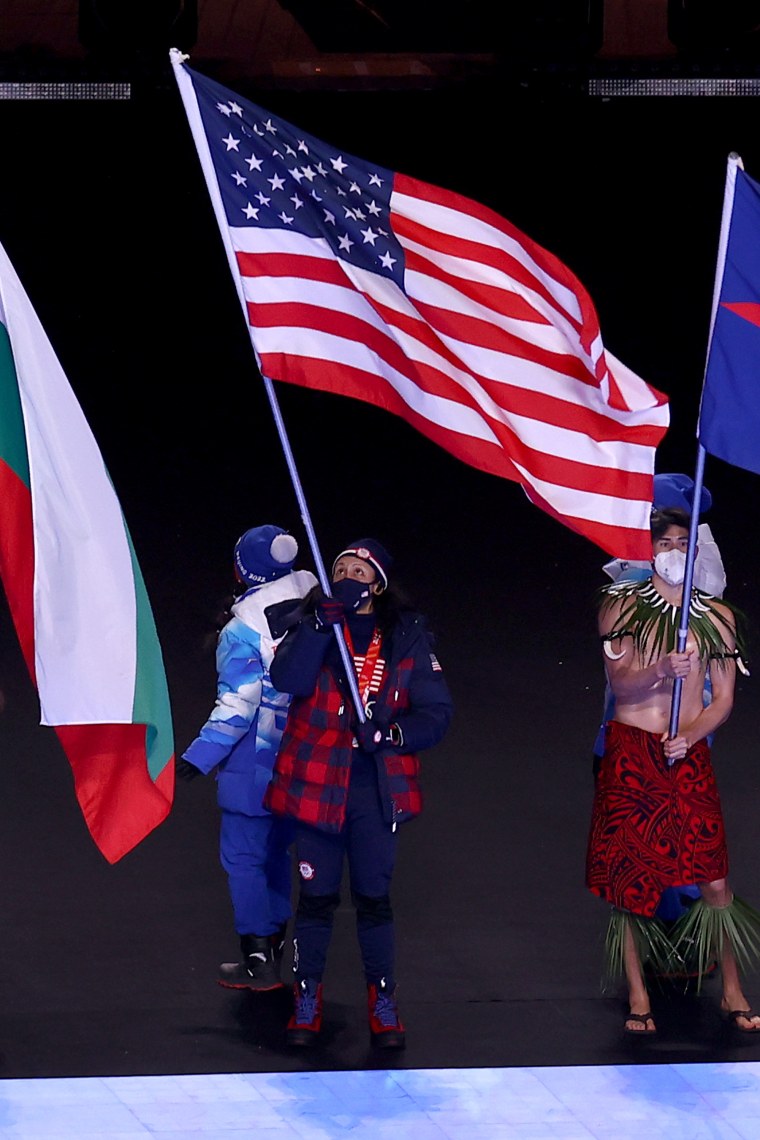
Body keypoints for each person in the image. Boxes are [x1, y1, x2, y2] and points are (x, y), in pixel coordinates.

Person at [264, 538, 454, 1049]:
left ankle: (383, 1001)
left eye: (357, 570)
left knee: (373, 898)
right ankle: (307, 998)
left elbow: (436, 713)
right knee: (317, 898)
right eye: (339, 568)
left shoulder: (406, 636)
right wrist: (320, 628)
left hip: (374, 790)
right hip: (317, 785)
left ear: (377, 584)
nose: (347, 575)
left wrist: (392, 734)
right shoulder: (313, 625)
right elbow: (287, 678)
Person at [586, 504, 759, 1036]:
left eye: (681, 543)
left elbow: (725, 697)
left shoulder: (716, 616)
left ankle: (733, 988)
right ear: (648, 551)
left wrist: (694, 733)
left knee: (713, 875)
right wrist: (660, 668)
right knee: (630, 877)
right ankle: (638, 995)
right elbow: (620, 684)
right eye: (662, 544)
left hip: (687, 750)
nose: (672, 553)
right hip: (634, 748)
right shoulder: (621, 608)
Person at [178, 525, 317, 990]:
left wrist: (197, 758)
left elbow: (238, 707)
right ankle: (275, 946)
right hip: (308, 758)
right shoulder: (317, 602)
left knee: (243, 858)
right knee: (277, 851)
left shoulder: (241, 630)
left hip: (255, 766)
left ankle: (257, 957)